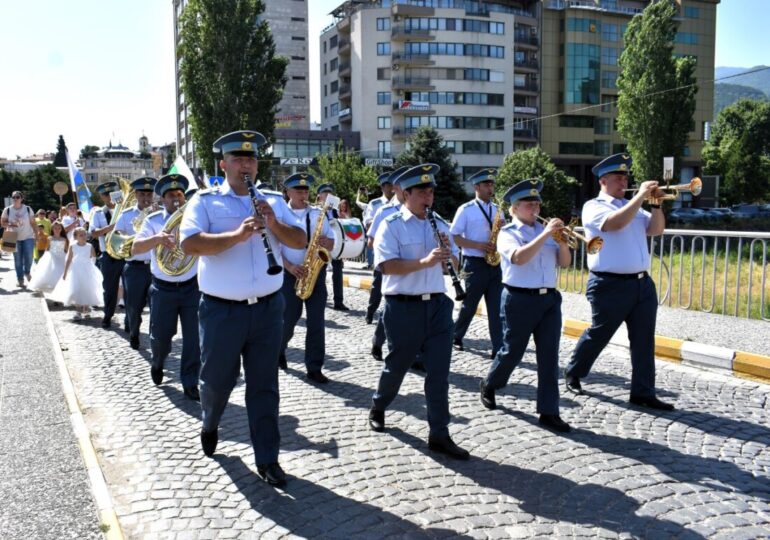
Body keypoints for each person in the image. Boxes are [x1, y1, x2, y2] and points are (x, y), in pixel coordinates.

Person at [180, 130, 306, 487]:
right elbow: (189, 243)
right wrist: (237, 235)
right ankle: (210, 419)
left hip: (268, 309)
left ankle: (267, 458)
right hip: (222, 311)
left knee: (264, 386)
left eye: (251, 159)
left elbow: (299, 240)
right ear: (223, 164)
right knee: (218, 382)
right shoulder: (205, 202)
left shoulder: (272, 202)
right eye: (238, 158)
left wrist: (273, 224)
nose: (246, 164)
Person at [368, 163, 470, 461]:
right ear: (405, 194)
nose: (429, 196)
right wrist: (425, 261)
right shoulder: (391, 224)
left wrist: (449, 259)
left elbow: (458, 264)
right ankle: (379, 404)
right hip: (403, 307)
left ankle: (439, 433)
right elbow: (387, 266)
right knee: (396, 367)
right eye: (422, 191)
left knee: (438, 373)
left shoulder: (439, 224)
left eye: (431, 191)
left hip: (438, 305)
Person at [564, 153, 673, 411]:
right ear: (603, 181)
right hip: (609, 284)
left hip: (642, 284)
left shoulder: (633, 206)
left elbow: (656, 229)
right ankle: (574, 370)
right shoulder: (594, 206)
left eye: (625, 177)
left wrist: (656, 204)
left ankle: (643, 392)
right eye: (618, 178)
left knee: (644, 339)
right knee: (600, 333)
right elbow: (614, 224)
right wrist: (639, 197)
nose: (624, 182)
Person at [479, 179, 572, 432]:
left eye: (537, 204)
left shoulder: (548, 234)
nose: (535, 209)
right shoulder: (509, 233)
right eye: (529, 205)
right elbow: (519, 258)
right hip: (519, 299)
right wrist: (545, 235)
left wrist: (562, 241)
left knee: (549, 356)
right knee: (512, 352)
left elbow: (564, 263)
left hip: (549, 299)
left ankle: (549, 411)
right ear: (515, 208)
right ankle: (490, 382)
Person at [132, 174, 201, 401]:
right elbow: (135, 248)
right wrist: (158, 239)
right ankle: (158, 360)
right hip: (163, 288)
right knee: (162, 337)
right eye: (171, 195)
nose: (177, 199)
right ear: (162, 199)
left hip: (192, 287)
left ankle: (190, 381)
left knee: (194, 338)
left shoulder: (194, 219)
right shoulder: (152, 221)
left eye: (180, 194)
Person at [279, 173, 336, 382]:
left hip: (316, 272)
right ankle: (279, 349)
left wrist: (326, 242)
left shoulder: (318, 213)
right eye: (298, 190)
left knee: (316, 323)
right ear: (288, 192)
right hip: (290, 273)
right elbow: (275, 247)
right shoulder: (281, 213)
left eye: (306, 190)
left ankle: (314, 367)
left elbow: (331, 241)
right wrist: (291, 266)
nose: (303, 194)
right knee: (288, 320)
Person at [449, 169, 504, 358]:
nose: (491, 188)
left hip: (494, 263)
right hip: (473, 264)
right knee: (469, 305)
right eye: (487, 185)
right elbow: (454, 237)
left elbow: (503, 234)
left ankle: (498, 347)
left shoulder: (498, 209)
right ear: (476, 187)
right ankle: (456, 335)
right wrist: (478, 245)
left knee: (496, 309)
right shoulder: (465, 209)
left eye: (492, 184)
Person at [365, 165, 408, 361]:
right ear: (395, 188)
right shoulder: (384, 211)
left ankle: (414, 353)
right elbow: (371, 241)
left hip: (414, 267)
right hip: (390, 268)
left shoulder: (421, 209)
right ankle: (378, 340)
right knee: (390, 307)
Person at [115, 177, 157, 349]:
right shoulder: (126, 215)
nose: (146, 198)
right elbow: (117, 237)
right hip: (134, 267)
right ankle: (134, 332)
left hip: (156, 268)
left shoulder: (160, 214)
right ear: (136, 195)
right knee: (134, 306)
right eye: (142, 194)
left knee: (157, 308)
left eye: (149, 194)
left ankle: (156, 339)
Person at [89, 181, 125, 329]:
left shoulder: (125, 210)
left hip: (126, 253)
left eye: (111, 193)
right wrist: (111, 228)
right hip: (108, 255)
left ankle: (130, 318)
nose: (109, 196)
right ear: (102, 197)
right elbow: (93, 233)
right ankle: (108, 315)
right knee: (109, 288)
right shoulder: (98, 213)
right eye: (105, 194)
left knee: (130, 288)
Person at [50, 227, 103, 320]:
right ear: (75, 237)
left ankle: (86, 309)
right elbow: (69, 259)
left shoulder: (89, 246)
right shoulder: (73, 246)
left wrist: (91, 266)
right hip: (76, 270)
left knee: (87, 288)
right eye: (81, 235)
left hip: (87, 269)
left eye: (84, 234)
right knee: (76, 289)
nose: (83, 237)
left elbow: (94, 257)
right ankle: (78, 310)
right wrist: (65, 272)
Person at [364, 171, 396, 325]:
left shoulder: (403, 204)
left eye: (392, 185)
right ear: (383, 187)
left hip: (397, 252)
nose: (391, 188)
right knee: (377, 285)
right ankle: (371, 311)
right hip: (380, 249)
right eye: (388, 185)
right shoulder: (375, 204)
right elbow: (368, 224)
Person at [316, 182, 348, 311]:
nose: (329, 195)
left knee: (338, 274)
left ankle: (338, 301)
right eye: (325, 194)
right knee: (320, 274)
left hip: (335, 245)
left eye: (330, 193)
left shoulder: (335, 211)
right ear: (320, 196)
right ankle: (320, 300)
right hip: (322, 245)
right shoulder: (315, 210)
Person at [1, 191, 39, 287]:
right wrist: (11, 224)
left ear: (22, 199)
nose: (15, 199)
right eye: (13, 197)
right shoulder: (7, 210)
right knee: (17, 260)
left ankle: (27, 272)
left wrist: (37, 235)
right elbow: (3, 223)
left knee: (29, 258)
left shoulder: (27, 209)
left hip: (28, 237)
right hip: (14, 238)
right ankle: (20, 279)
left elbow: (33, 223)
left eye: (17, 197)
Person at [29, 220, 68, 293]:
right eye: (55, 228)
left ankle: (59, 288)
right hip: (52, 256)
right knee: (53, 270)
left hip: (61, 257)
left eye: (59, 228)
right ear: (52, 229)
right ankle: (53, 288)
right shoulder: (50, 238)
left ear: (61, 229)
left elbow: (65, 250)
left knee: (61, 270)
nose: (57, 230)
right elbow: (48, 248)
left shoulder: (64, 239)